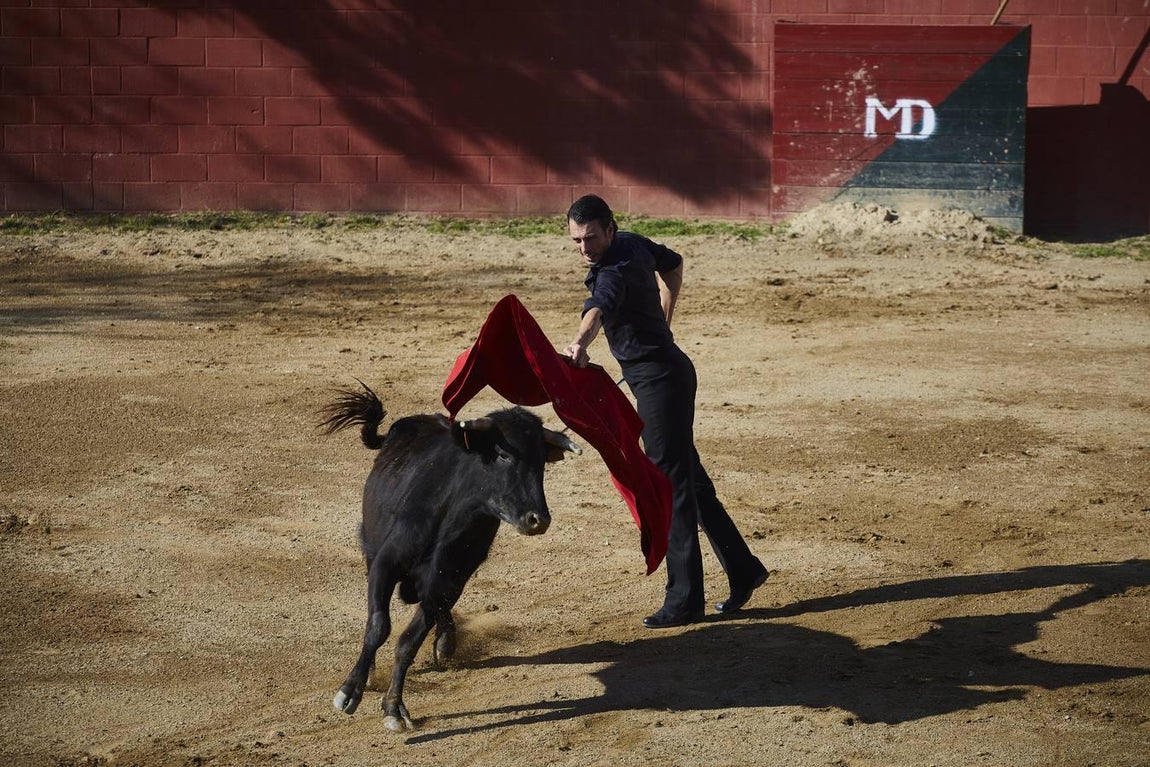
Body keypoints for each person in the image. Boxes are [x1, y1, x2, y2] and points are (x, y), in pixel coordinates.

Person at [561, 194, 769, 628]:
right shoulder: (634, 244)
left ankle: (685, 599)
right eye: (577, 241)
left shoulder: (612, 272)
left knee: (668, 485)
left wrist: (580, 343)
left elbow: (597, 310)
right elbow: (672, 264)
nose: (585, 249)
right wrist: (665, 317)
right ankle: (744, 569)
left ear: (610, 229)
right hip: (666, 375)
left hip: (660, 384)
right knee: (689, 481)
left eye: (591, 238)